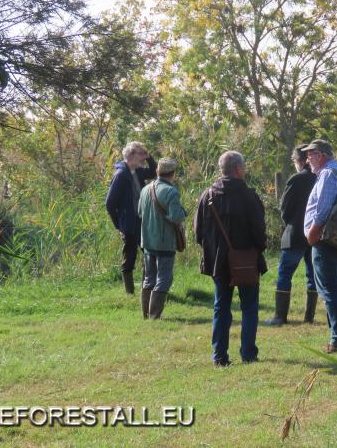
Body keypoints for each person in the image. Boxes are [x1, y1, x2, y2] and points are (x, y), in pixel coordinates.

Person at [194, 151, 267, 366]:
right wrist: (256, 250)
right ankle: (248, 353)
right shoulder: (249, 196)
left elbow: (198, 232)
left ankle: (219, 356)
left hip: (218, 261)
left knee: (221, 306)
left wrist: (213, 249)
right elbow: (259, 230)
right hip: (246, 260)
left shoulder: (207, 195)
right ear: (238, 169)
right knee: (249, 307)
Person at [302, 139, 337, 353]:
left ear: (322, 155)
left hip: (327, 241)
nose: (308, 160)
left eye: (311, 155)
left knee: (329, 291)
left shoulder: (328, 174)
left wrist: (312, 235)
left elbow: (322, 209)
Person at [265, 145, 317, 326]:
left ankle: (280, 316)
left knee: (285, 274)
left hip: (295, 234)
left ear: (300, 161)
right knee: (313, 275)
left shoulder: (296, 179)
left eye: (295, 161)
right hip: (315, 234)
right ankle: (309, 317)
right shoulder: (320, 176)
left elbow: (284, 209)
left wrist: (290, 223)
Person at [105, 141, 156, 294]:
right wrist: (119, 225)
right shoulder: (121, 175)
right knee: (130, 257)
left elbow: (154, 173)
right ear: (131, 155)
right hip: (128, 224)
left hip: (142, 221)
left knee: (149, 253)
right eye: (141, 154)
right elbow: (109, 203)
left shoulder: (138, 172)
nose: (143, 158)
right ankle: (129, 292)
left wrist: (150, 158)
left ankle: (148, 288)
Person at [138, 158, 186, 319]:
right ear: (173, 174)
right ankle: (154, 316)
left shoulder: (145, 189)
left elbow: (139, 212)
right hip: (164, 242)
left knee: (149, 278)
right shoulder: (171, 191)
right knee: (164, 278)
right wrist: (183, 212)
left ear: (157, 172)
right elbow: (177, 216)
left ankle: (146, 315)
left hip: (147, 241)